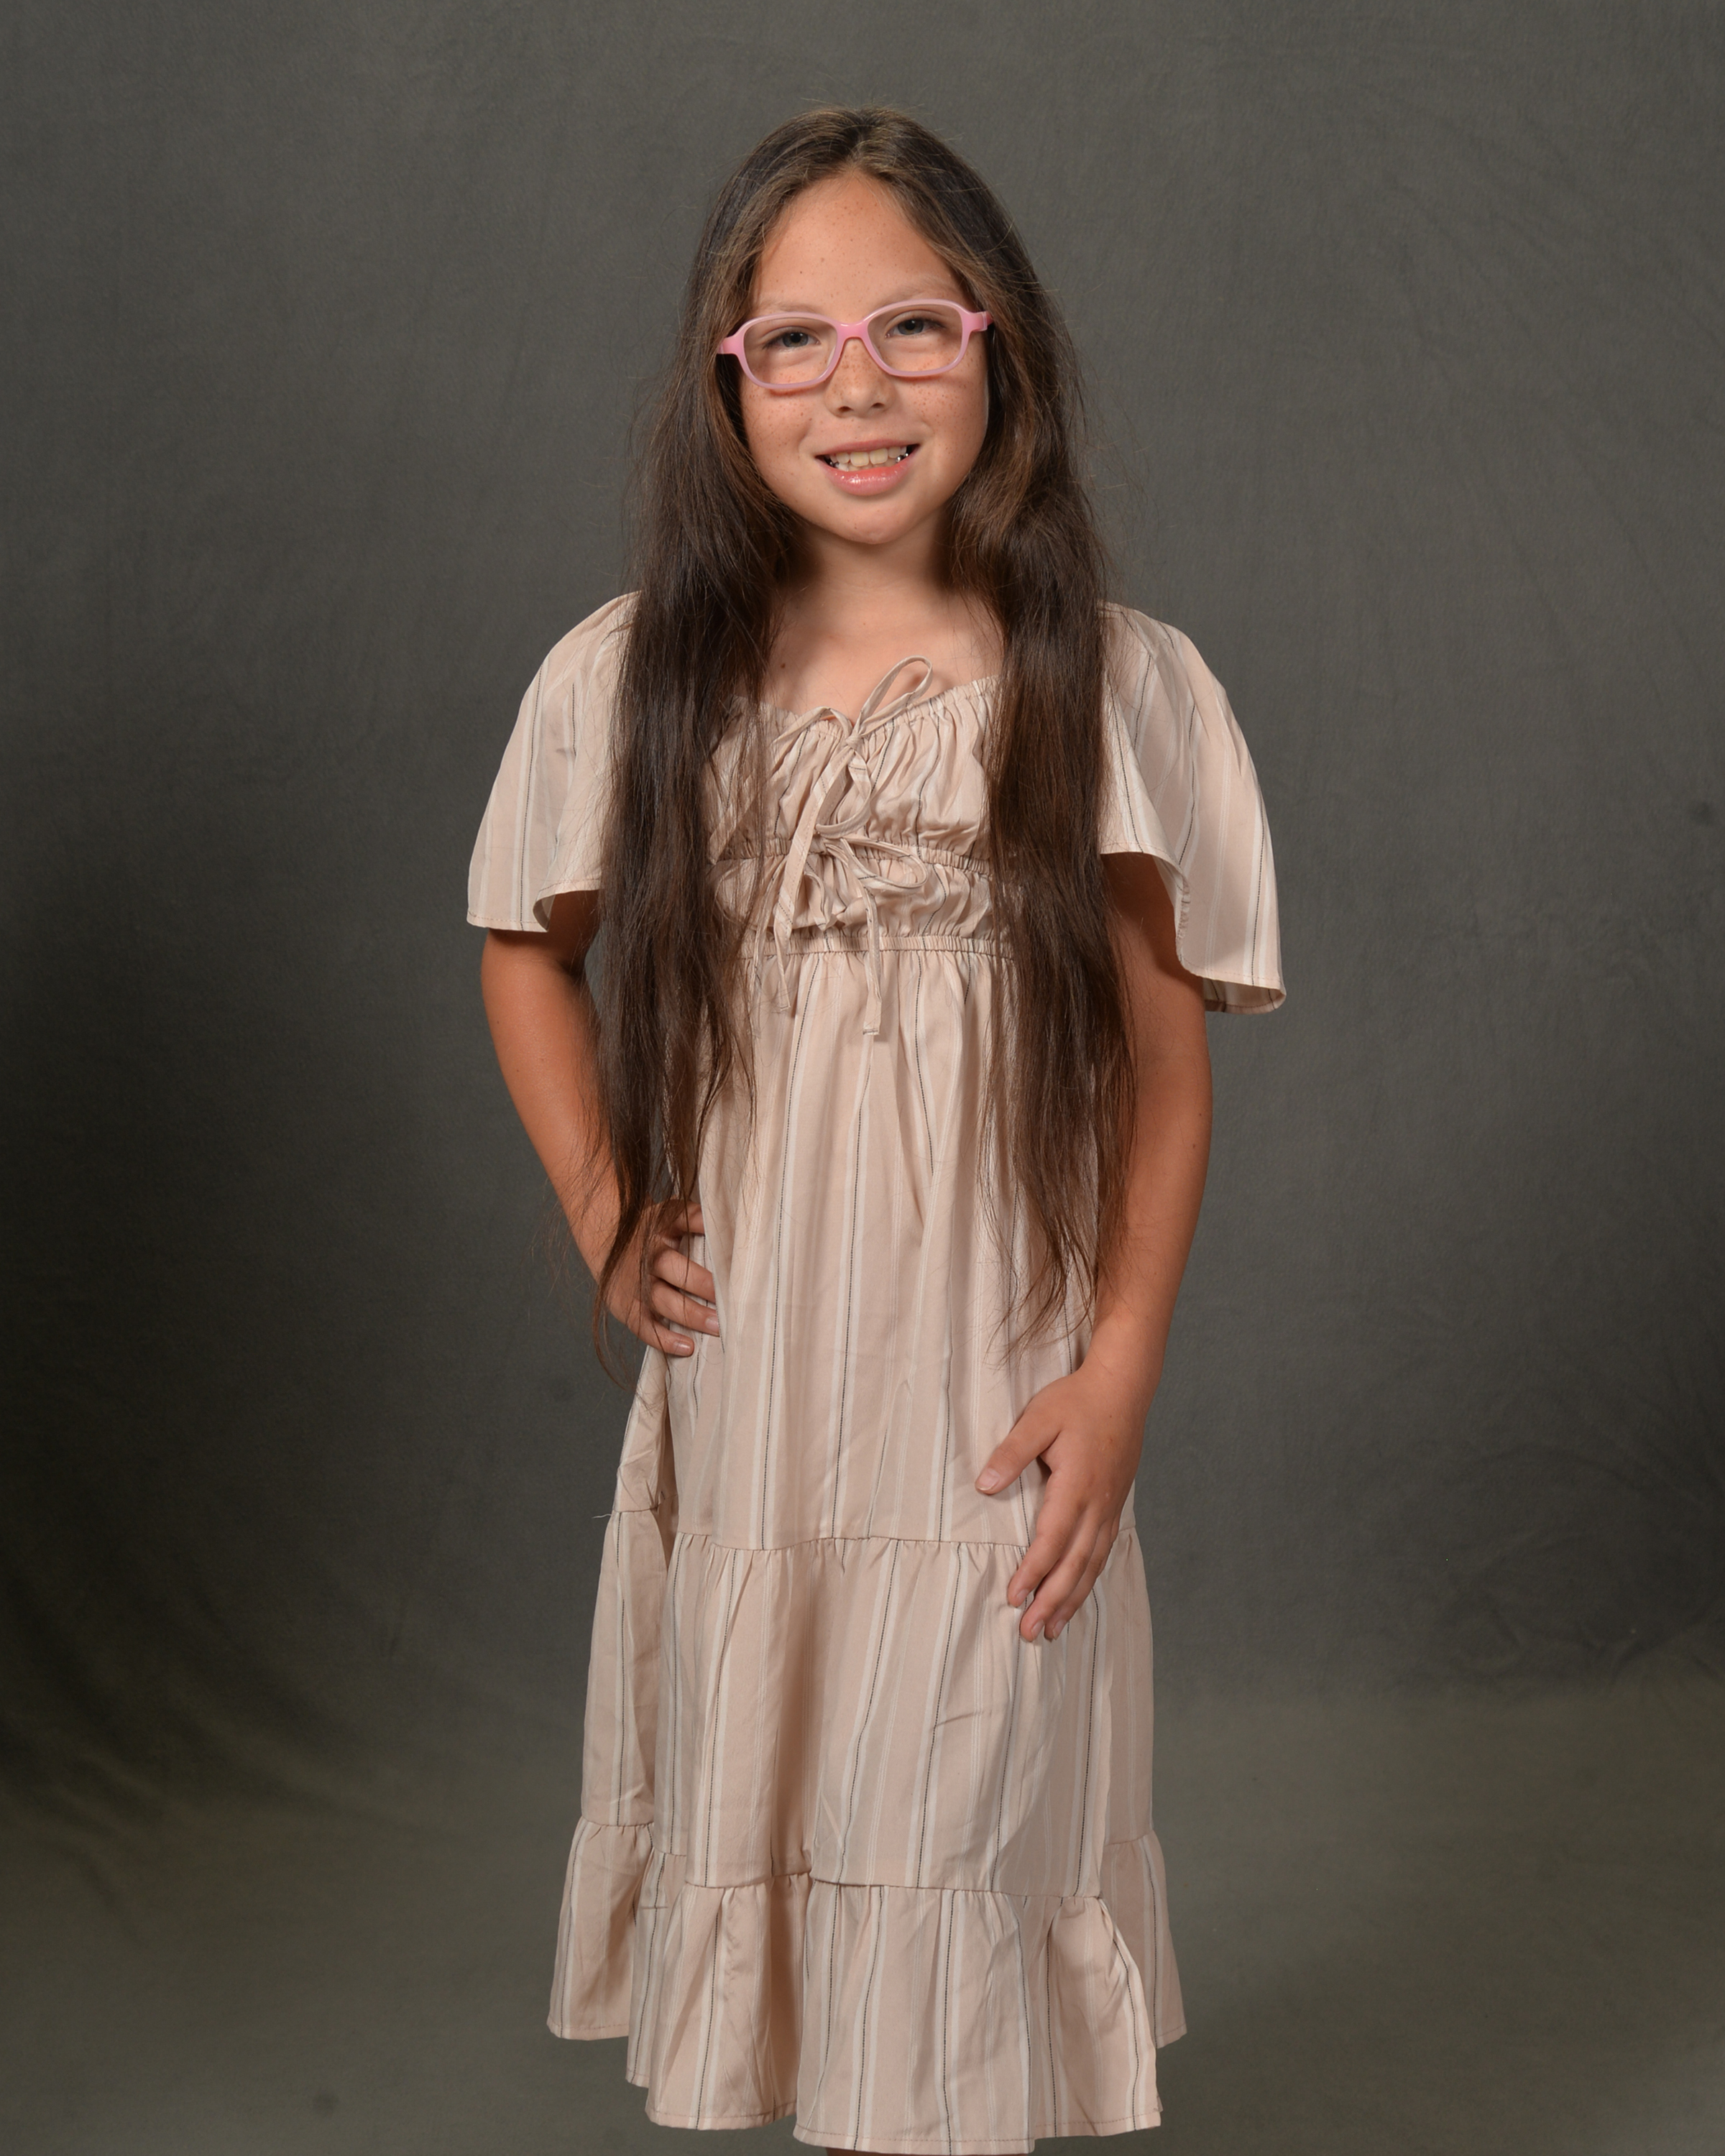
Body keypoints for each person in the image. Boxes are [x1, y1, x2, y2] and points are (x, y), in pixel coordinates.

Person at [468, 105, 1283, 2155]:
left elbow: (1165, 1068)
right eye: (797, 342)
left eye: (914, 327)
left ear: (999, 348)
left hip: (989, 1379)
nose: (860, 387)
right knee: (787, 1788)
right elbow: (522, 950)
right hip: (758, 1388)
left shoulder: (1104, 684)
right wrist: (607, 1210)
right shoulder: (635, 679)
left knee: (960, 1787)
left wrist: (1121, 1368)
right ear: (725, 381)